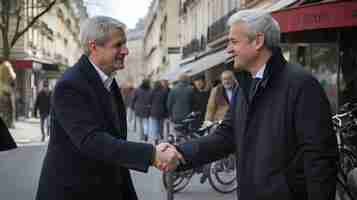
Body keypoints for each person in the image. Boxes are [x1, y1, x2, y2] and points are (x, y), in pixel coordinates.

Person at [159, 9, 338, 200]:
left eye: (234, 42)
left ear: (258, 41)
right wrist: (180, 153)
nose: (228, 49)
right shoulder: (244, 86)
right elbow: (225, 136)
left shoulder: (301, 84)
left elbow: (320, 160)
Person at [35, 16, 184, 200]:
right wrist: (151, 154)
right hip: (74, 192)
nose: (126, 51)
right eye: (118, 45)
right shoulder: (70, 84)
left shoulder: (109, 81)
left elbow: (114, 142)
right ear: (94, 46)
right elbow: (91, 140)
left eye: (125, 44)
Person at [149, 81, 169, 145]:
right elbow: (166, 102)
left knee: (155, 125)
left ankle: (156, 139)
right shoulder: (164, 92)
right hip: (162, 111)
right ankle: (161, 134)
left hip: (154, 111)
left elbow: (149, 101)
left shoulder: (152, 92)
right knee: (161, 125)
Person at [0, 61, 16, 128]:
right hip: (6, 93)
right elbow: (13, 77)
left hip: (3, 93)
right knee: (11, 109)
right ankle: (11, 123)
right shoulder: (7, 65)